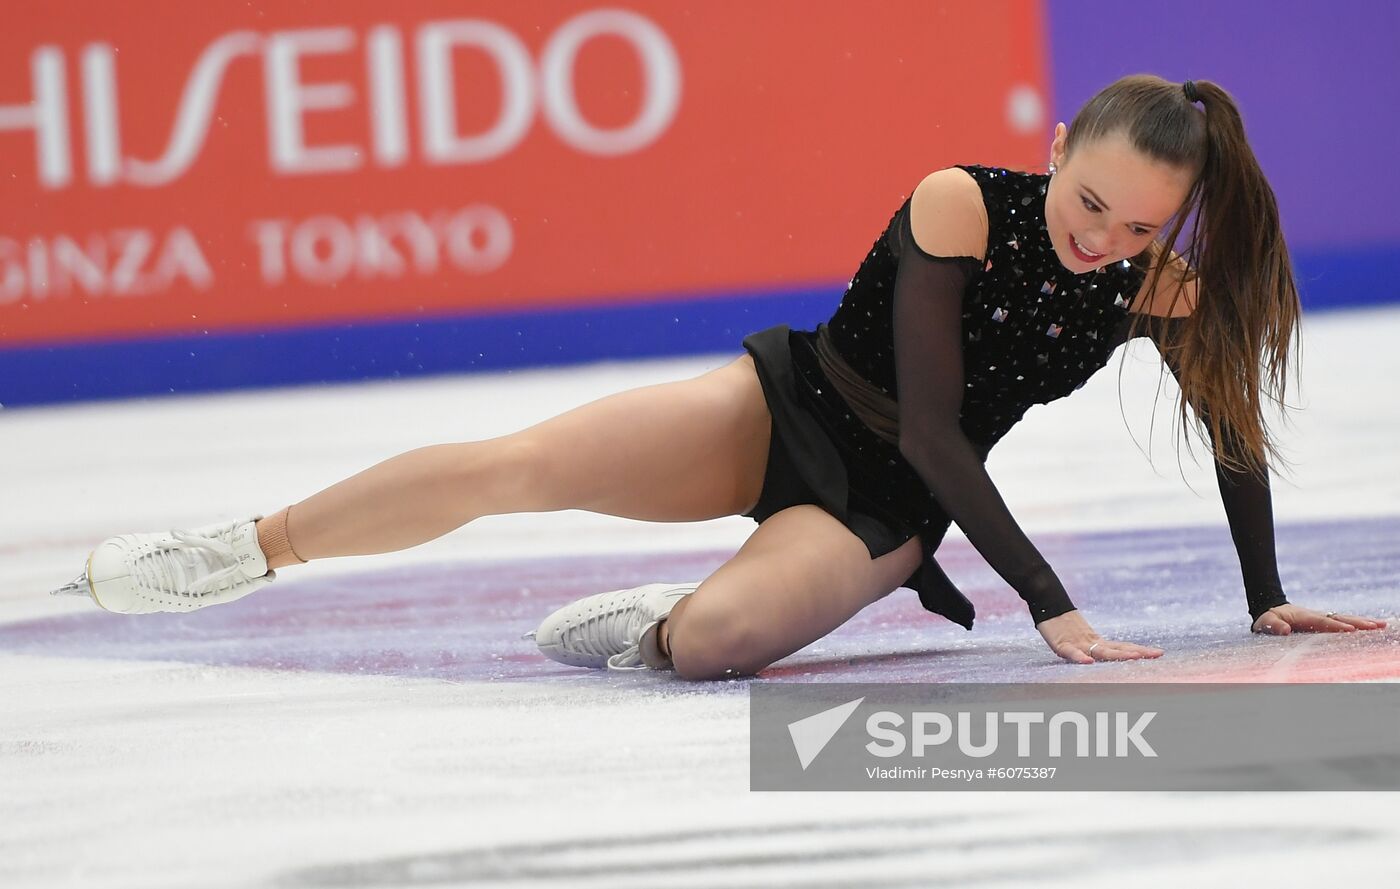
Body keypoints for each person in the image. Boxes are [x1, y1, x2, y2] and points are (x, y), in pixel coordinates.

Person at [53, 74, 1387, 679]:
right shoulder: (961, 204)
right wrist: (1049, 601)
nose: (1101, 240)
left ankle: (659, 616)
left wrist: (1266, 595)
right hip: (785, 409)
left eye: (1138, 228)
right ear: (1054, 147)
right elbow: (927, 416)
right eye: (1090, 201)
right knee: (518, 464)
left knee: (717, 648)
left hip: (879, 511)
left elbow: (1233, 427)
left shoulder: (1158, 288)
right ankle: (244, 545)